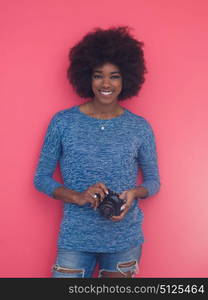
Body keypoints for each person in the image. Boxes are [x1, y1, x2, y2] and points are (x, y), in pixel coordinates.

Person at [34, 26, 160, 278]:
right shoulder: (62, 122)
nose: (105, 83)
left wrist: (135, 192)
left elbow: (154, 181)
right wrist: (78, 197)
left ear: (125, 80)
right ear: (86, 77)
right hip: (75, 239)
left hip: (124, 241)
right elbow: (41, 179)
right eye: (97, 75)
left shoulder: (139, 127)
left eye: (114, 76)